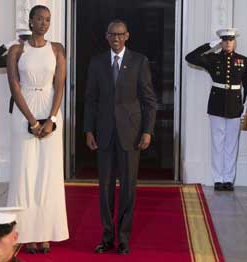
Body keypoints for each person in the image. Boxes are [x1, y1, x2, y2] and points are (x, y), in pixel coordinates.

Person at [84, 19, 157, 255]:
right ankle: (106, 237)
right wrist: (88, 130)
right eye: (112, 34)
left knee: (127, 188)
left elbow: (148, 100)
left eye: (120, 34)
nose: (116, 38)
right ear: (106, 36)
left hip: (131, 134)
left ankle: (123, 238)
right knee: (104, 188)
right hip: (103, 133)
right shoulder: (96, 63)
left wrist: (147, 130)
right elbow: (90, 100)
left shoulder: (139, 61)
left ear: (127, 36)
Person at [6, 5, 69, 253]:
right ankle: (26, 233)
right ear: (30, 21)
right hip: (25, 112)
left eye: (48, 19)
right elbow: (14, 85)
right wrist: (32, 121)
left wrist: (51, 118)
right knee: (25, 173)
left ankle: (45, 233)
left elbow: (60, 85)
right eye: (39, 19)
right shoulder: (16, 50)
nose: (44, 23)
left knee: (48, 175)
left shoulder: (57, 49)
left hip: (51, 111)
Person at [185, 28, 247, 191]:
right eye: (225, 40)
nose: (228, 43)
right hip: (217, 104)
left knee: (231, 145)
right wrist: (209, 45)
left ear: (234, 42)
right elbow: (190, 57)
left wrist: (245, 105)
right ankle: (218, 179)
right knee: (217, 143)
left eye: (231, 40)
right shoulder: (212, 59)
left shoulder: (243, 60)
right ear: (221, 42)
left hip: (235, 106)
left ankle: (228, 179)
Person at [0, 29, 31, 113]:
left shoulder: (40, 56)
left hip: (36, 99)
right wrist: (7, 46)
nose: (26, 44)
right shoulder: (14, 57)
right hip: (18, 100)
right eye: (23, 41)